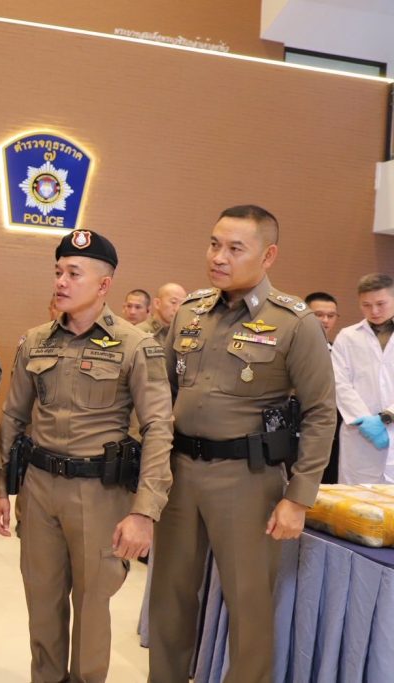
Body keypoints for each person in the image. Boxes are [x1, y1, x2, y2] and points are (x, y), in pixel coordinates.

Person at [148, 205, 336, 683]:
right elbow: (160, 393)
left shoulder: (295, 322)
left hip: (247, 481)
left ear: (268, 255)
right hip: (180, 473)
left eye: (235, 248)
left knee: (248, 604)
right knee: (169, 598)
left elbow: (320, 413)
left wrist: (299, 498)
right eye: (214, 244)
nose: (219, 257)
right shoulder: (190, 312)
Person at [0, 229, 173, 683]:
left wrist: (145, 512)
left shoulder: (135, 346)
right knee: (42, 603)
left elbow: (158, 428)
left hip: (100, 494)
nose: (61, 281)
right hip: (39, 489)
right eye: (58, 271)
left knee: (93, 607)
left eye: (74, 273)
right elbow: (13, 416)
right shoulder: (36, 340)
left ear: (104, 284)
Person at [331, 273, 394, 484]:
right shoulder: (348, 336)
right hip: (360, 431)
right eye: (366, 305)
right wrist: (364, 419)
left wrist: (387, 416)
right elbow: (339, 382)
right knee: (357, 496)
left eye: (381, 304)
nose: (374, 311)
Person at [306, 291, 342, 483]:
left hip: (332, 427)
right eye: (318, 314)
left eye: (331, 315)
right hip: (299, 425)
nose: (325, 320)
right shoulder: (289, 348)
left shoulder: (340, 352)